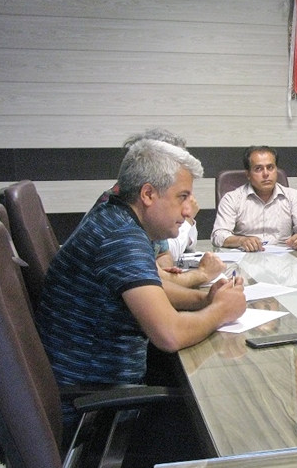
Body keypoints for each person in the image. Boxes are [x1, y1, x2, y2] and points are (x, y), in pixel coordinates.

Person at [36, 139, 247, 429]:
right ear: (148, 193)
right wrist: (222, 310)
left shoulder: (113, 215)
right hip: (98, 414)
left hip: (100, 391)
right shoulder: (121, 238)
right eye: (182, 197)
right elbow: (170, 335)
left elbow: (151, 287)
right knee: (232, 410)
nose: (189, 210)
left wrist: (205, 300)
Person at [95, 128, 226, 289]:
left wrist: (165, 272)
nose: (186, 209)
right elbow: (157, 286)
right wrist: (203, 275)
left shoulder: (137, 213)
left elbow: (163, 255)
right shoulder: (121, 229)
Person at [211, 145, 297, 251]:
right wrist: (241, 240)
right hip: (247, 257)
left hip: (284, 258)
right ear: (248, 174)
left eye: (270, 167)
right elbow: (218, 235)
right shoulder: (232, 199)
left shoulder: (293, 197)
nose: (266, 174)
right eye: (258, 169)